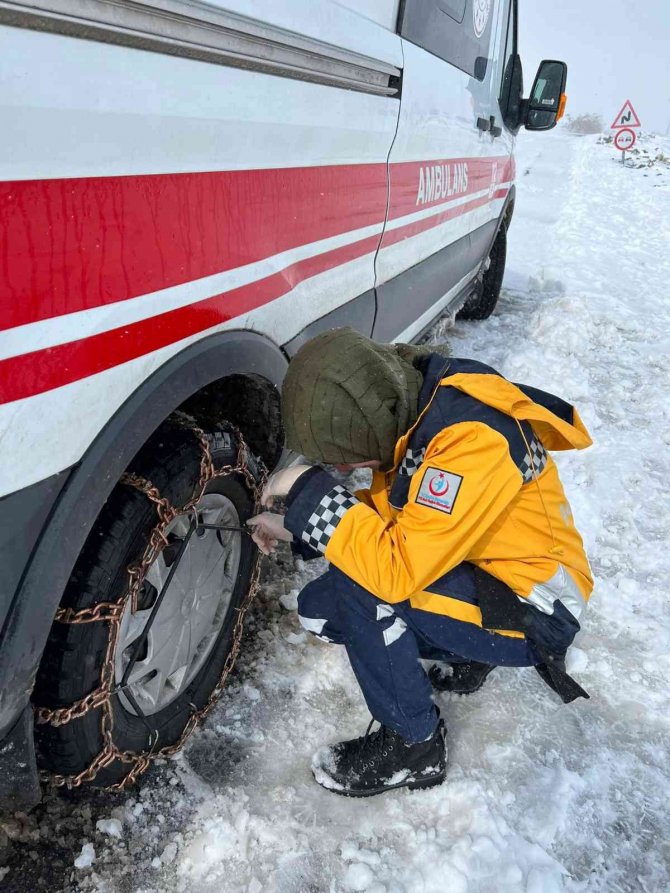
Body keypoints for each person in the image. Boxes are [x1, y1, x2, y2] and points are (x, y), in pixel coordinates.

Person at [248, 328, 593, 798]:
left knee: (365, 589)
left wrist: (307, 488)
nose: (347, 471)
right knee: (321, 609)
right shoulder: (414, 407)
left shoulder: (471, 441)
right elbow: (403, 521)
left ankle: (414, 748)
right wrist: (293, 524)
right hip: (482, 571)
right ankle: (471, 652)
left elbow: (395, 569)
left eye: (347, 459)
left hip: (535, 606)